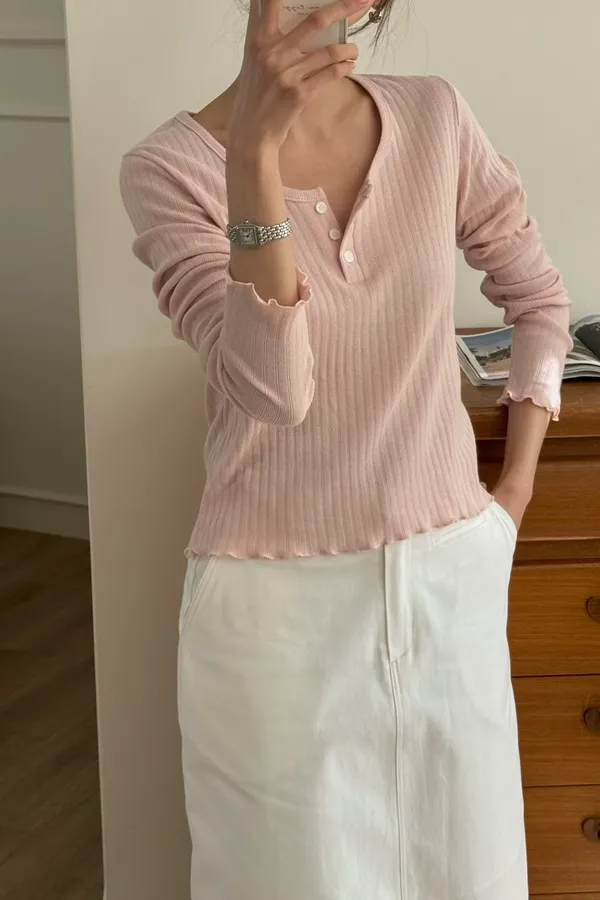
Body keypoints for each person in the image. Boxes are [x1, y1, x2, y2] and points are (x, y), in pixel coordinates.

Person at [120, 1, 573, 897]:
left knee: (471, 877)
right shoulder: (170, 168)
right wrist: (252, 158)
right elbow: (274, 392)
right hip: (273, 613)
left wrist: (512, 496)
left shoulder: (435, 115)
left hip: (448, 584)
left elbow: (540, 305)